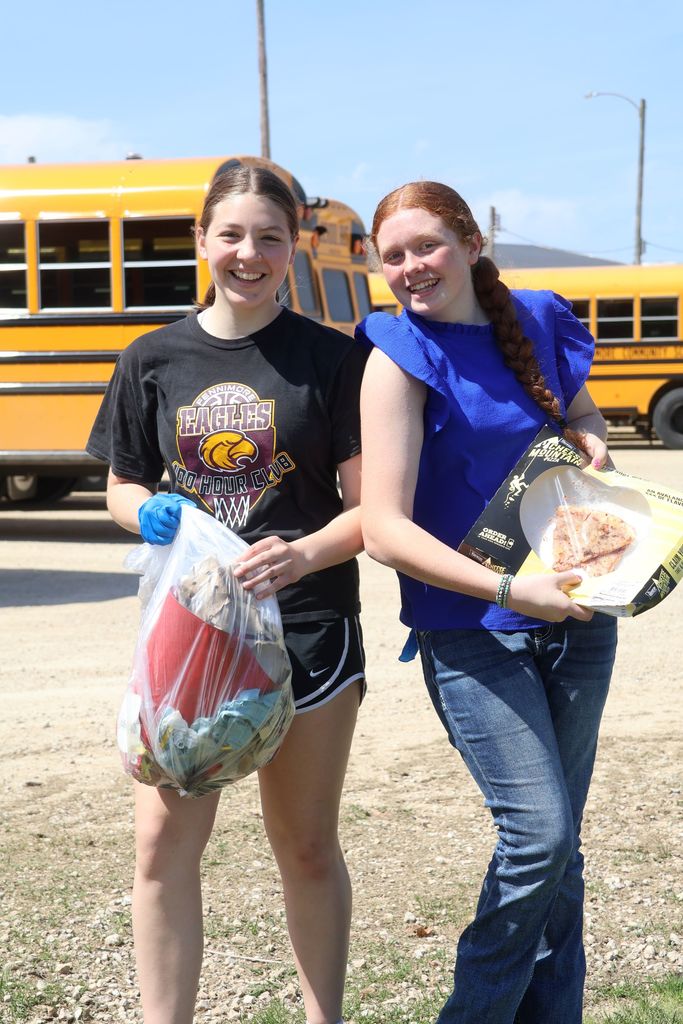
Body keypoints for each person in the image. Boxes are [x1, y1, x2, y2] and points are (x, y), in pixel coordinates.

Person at [87, 164, 367, 1024]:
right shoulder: (152, 358)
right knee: (161, 845)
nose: (250, 254)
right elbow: (120, 485)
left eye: (270, 238)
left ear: (293, 248)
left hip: (310, 631)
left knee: (307, 848)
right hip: (191, 638)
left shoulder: (333, 358)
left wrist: (303, 552)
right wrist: (151, 513)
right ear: (203, 240)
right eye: (232, 235)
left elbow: (371, 512)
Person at [356, 180, 617, 1024]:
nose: (408, 268)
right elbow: (385, 530)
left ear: (470, 241)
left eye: (424, 246)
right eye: (391, 254)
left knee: (561, 854)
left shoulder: (536, 317)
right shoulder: (396, 356)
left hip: (578, 617)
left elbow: (583, 414)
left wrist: (595, 450)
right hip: (471, 631)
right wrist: (513, 589)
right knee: (538, 838)